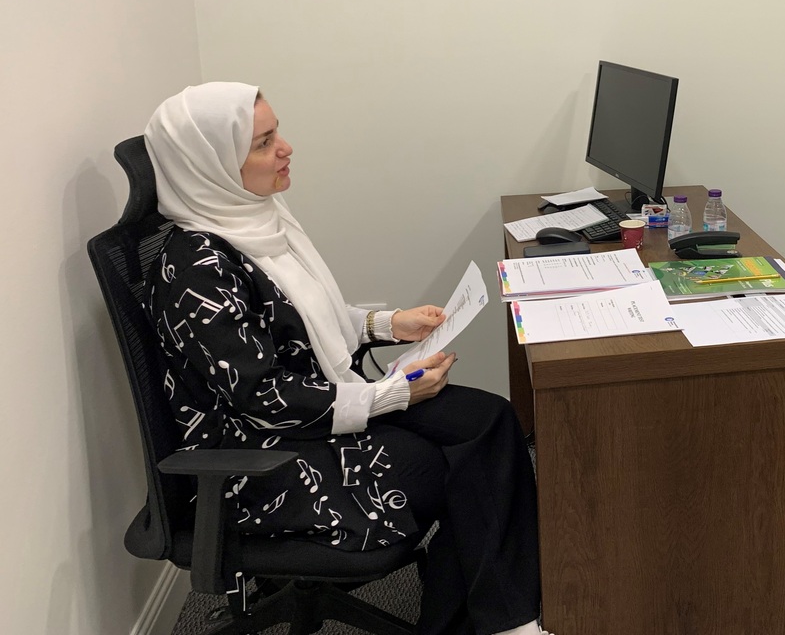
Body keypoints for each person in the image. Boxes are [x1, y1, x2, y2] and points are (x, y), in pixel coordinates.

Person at [143, 81, 553, 635]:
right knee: (441, 464)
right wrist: (391, 395)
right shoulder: (196, 269)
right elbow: (262, 397)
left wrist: (387, 324)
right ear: (210, 166)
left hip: (316, 404)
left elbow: (302, 320)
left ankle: (488, 615)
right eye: (263, 143)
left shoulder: (256, 217)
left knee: (489, 419)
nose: (285, 148)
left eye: (276, 133)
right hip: (255, 455)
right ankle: (493, 619)